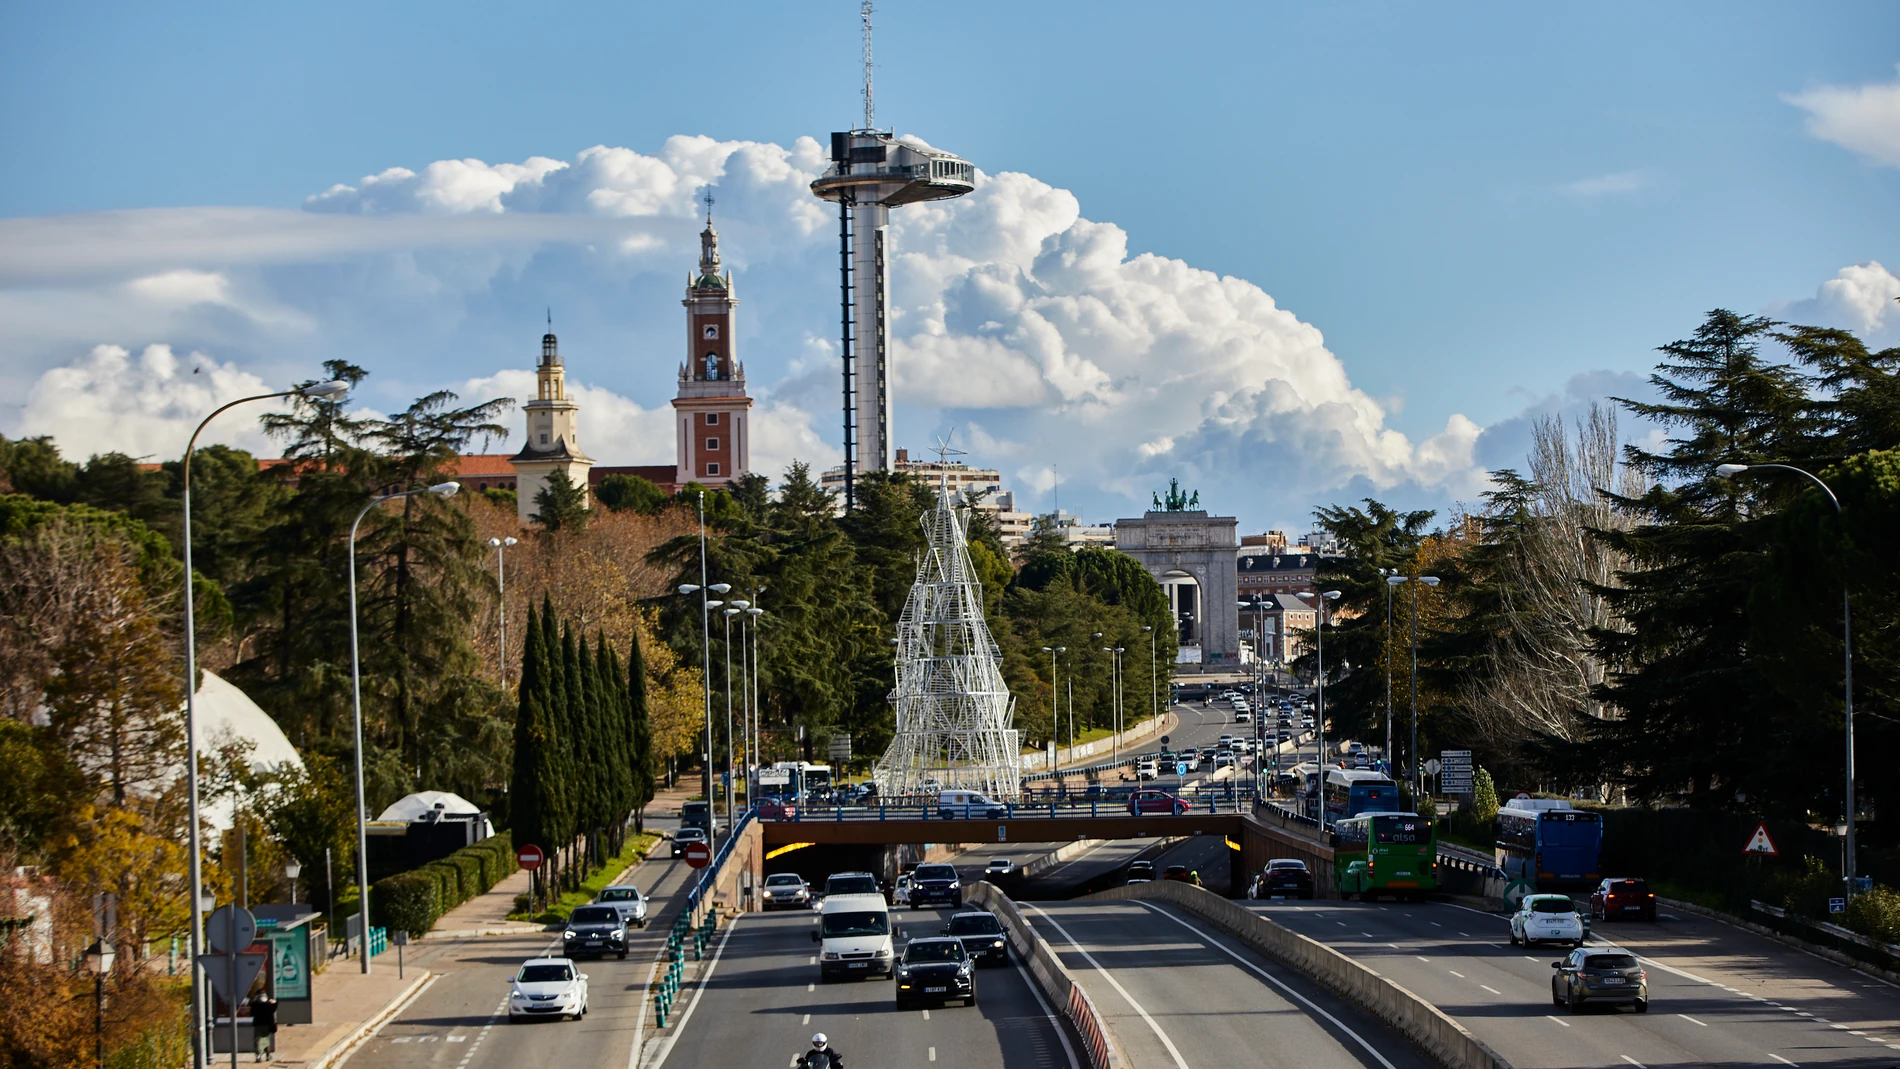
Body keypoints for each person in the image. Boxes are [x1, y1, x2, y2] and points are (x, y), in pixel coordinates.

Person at [250, 993, 278, 1062]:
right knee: (266, 1040)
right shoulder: (269, 1005)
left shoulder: (255, 1005)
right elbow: (274, 1007)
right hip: (267, 1025)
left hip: (258, 1025)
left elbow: (252, 1013)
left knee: (258, 1041)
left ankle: (258, 1055)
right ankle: (268, 1055)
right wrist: (275, 1002)